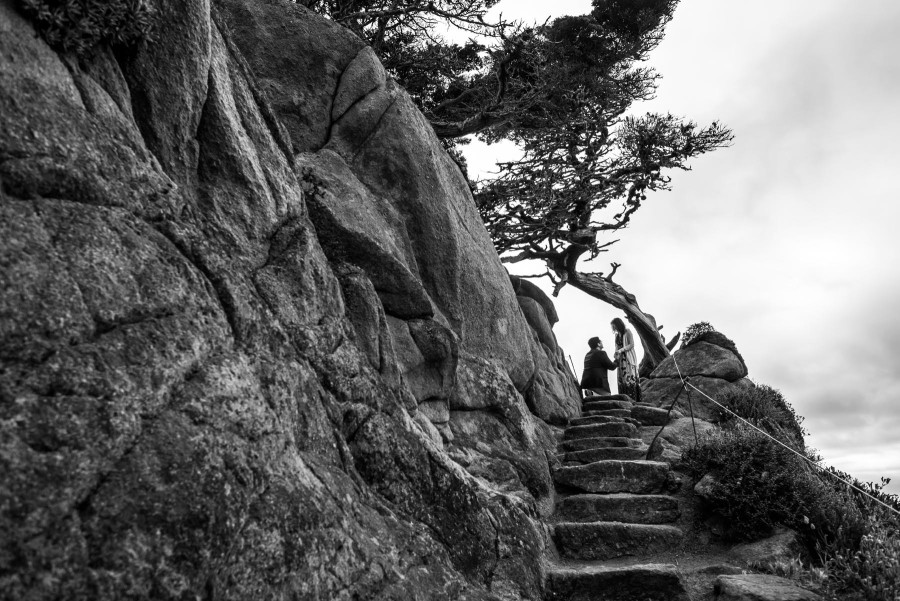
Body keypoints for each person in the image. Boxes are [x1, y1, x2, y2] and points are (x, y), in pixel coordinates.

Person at [611, 317, 641, 402]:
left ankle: (634, 398)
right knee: (622, 378)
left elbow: (631, 344)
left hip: (628, 359)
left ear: (618, 324)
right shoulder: (617, 335)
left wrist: (621, 350)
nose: (614, 328)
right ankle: (624, 398)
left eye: (614, 326)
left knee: (630, 377)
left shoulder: (627, 331)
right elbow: (616, 346)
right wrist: (616, 353)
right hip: (620, 360)